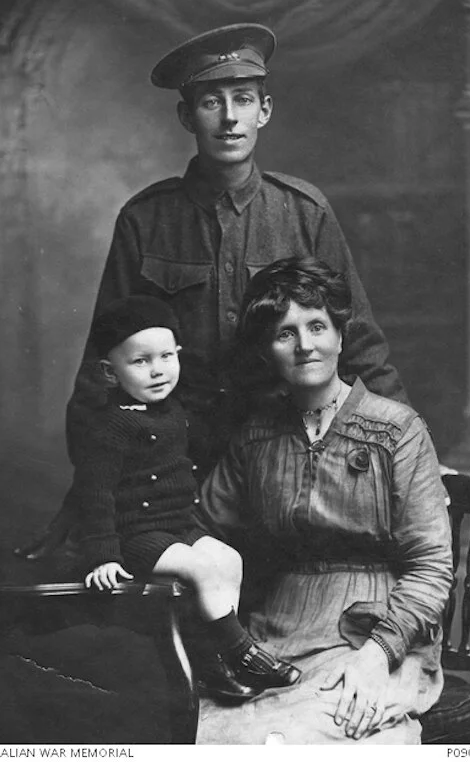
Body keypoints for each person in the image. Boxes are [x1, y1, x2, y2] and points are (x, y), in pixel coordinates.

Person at [23, 23, 408, 554]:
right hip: (177, 462)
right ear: (187, 116)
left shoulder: (303, 212)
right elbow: (102, 362)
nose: (229, 118)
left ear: (264, 111)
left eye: (243, 100)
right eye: (211, 101)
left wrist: (409, 454)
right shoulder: (146, 219)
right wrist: (94, 485)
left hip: (287, 448)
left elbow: (359, 341)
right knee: (191, 612)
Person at [194, 257, 453, 745]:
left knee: (326, 736)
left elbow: (432, 566)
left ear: (340, 334)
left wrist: (377, 655)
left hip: (376, 631)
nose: (305, 345)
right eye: (284, 333)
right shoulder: (255, 436)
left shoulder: (397, 430)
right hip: (273, 635)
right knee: (211, 738)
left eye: (317, 325)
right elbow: (203, 527)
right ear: (266, 348)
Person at [72, 293, 301, 701]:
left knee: (228, 559)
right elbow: (95, 493)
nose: (158, 371)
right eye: (140, 362)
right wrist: (103, 554)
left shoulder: (174, 411)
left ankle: (215, 664)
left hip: (178, 524)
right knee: (203, 570)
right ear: (110, 372)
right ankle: (242, 652)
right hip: (135, 535)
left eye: (166, 356)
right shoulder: (110, 427)